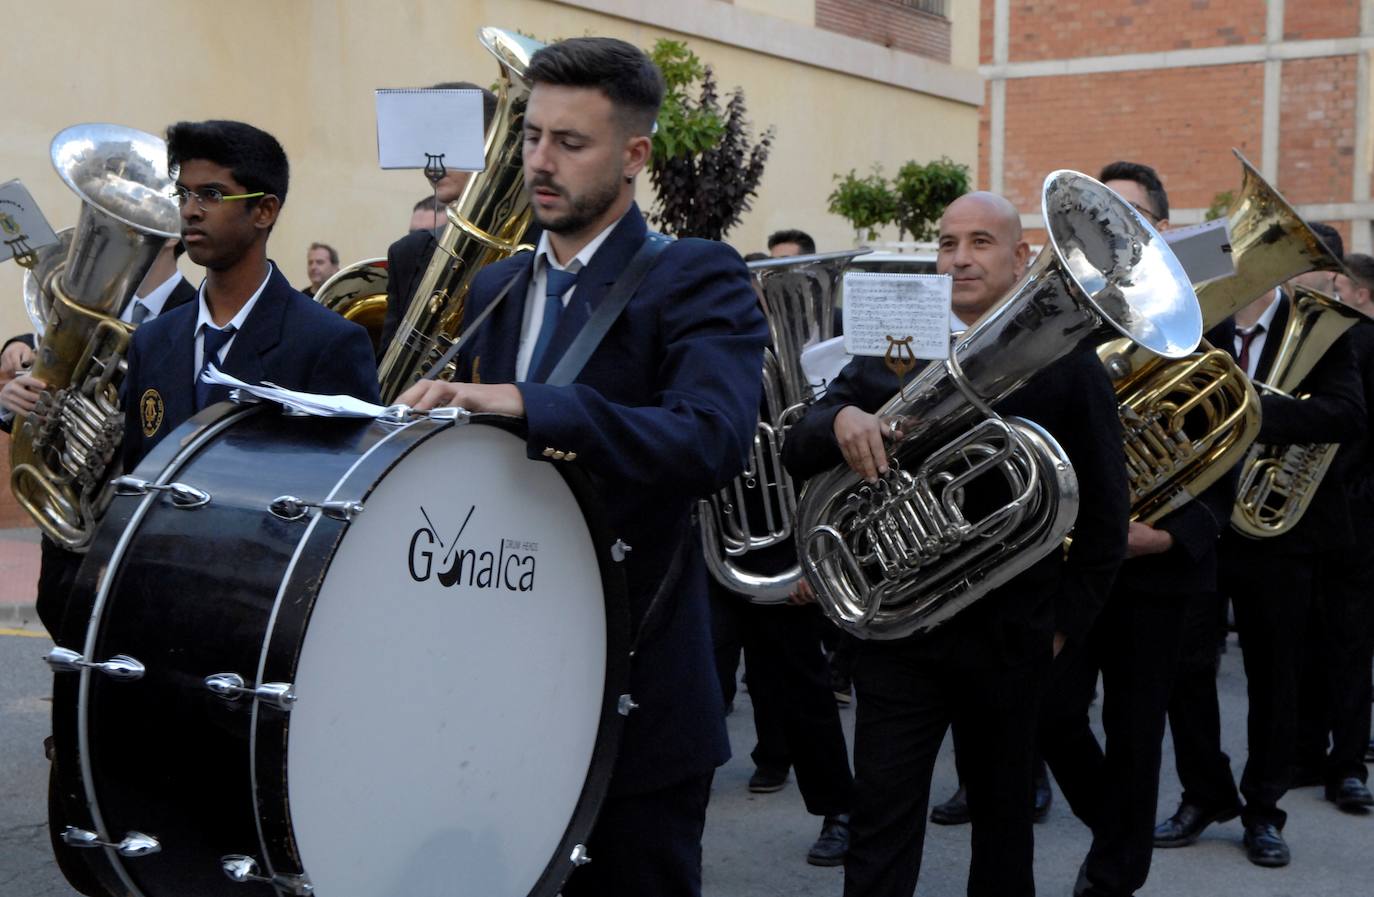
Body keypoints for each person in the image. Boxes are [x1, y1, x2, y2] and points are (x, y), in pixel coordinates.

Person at [395, 38, 766, 897]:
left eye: (571, 142)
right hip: (496, 685)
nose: (539, 161)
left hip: (633, 690)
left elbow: (711, 438)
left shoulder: (696, 274)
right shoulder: (495, 287)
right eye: (531, 137)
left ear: (634, 155)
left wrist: (531, 405)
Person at [783, 190, 1128, 897]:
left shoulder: (1069, 362)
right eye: (948, 244)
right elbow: (799, 444)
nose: (961, 258)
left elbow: (1105, 513)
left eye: (980, 243)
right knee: (880, 824)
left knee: (1004, 829)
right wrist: (841, 417)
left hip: (1011, 636)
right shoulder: (896, 346)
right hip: (897, 636)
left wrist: (1063, 627)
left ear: (1020, 258)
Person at [1041, 161, 1233, 897]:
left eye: (1132, 217)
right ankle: (1118, 828)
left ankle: (1113, 875)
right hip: (1071, 559)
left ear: (1161, 229)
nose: (1114, 230)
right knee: (1050, 710)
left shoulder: (1201, 320)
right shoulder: (1062, 319)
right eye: (1100, 215)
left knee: (1136, 729)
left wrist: (1174, 533)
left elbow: (1230, 440)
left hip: (1155, 569)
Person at [1155, 223, 1365, 867]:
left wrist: (1247, 414)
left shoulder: (1323, 329)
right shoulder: (1198, 327)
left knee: (1275, 676)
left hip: (1282, 535)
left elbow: (1347, 414)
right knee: (1186, 667)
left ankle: (1265, 811)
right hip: (1202, 525)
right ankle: (1204, 792)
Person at [122, 119, 379, 470]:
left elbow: (345, 484)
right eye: (183, 194)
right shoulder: (150, 341)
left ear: (264, 211)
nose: (189, 211)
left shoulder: (329, 343)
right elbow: (135, 473)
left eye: (211, 195)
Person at [1292, 251, 1374, 811]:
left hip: (1355, 515)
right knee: (1305, 641)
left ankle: (1347, 765)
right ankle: (1305, 752)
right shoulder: (1304, 333)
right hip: (1307, 513)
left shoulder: (1360, 339)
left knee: (1348, 644)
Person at [378, 82, 499, 357]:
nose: (432, 166)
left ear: (491, 144)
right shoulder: (408, 253)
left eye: (448, 145)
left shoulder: (541, 243)